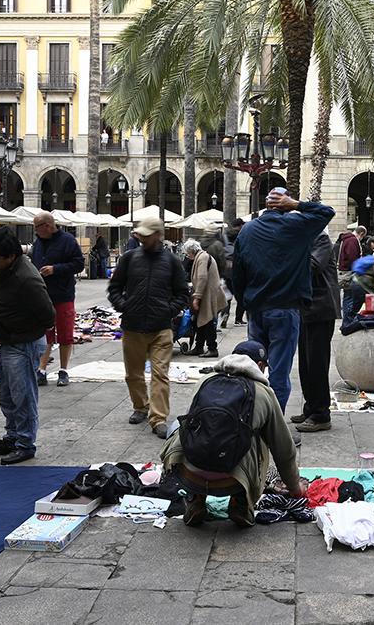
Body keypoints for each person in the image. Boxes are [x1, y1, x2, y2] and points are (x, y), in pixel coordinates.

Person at [162, 341, 306, 527]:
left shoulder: (204, 382)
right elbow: (284, 450)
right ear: (260, 366)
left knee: (181, 425)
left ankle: (194, 498)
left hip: (190, 473)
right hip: (233, 480)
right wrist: (295, 489)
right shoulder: (264, 392)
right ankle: (241, 504)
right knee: (261, 439)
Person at [231, 189, 335, 411]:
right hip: (284, 310)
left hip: (256, 310)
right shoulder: (295, 228)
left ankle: (250, 418)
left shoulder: (247, 230)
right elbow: (327, 212)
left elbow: (237, 275)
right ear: (284, 204)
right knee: (278, 373)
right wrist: (296, 204)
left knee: (254, 368)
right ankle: (272, 429)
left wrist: (245, 303)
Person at [0, 226, 55, 465]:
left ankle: (25, 443)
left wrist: (14, 328)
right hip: (9, 342)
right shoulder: (5, 269)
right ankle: (12, 436)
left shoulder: (27, 278)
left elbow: (48, 316)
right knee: (7, 395)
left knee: (23, 397)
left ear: (10, 255)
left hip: (23, 343)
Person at [107, 216, 189, 438]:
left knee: (160, 374)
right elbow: (114, 287)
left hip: (161, 328)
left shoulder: (172, 261)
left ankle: (158, 418)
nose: (141, 238)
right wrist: (124, 306)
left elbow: (183, 293)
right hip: (133, 326)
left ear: (157, 235)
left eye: (146, 234)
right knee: (133, 375)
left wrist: (169, 310)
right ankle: (140, 406)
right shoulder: (129, 259)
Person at [30, 212, 86, 387]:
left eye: (36, 227)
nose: (35, 231)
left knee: (64, 334)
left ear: (47, 226)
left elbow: (79, 264)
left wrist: (56, 269)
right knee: (44, 334)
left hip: (63, 294)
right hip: (43, 295)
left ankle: (63, 370)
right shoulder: (38, 242)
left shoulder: (67, 240)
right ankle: (42, 369)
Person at [293, 230, 338, 433]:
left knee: (317, 363)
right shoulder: (305, 238)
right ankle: (310, 408)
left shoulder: (320, 239)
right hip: (306, 308)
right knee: (306, 363)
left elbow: (312, 266)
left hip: (320, 308)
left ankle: (321, 414)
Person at [182, 239, 228, 358]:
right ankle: (199, 347)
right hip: (207, 293)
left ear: (192, 251)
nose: (187, 256)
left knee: (207, 321)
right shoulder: (202, 256)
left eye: (187, 253)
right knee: (200, 321)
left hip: (208, 295)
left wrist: (197, 297)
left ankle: (212, 348)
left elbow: (202, 277)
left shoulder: (202, 258)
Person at [337, 224, 366, 325]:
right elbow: (352, 258)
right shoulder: (352, 240)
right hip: (349, 273)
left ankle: (347, 322)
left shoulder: (346, 239)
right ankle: (347, 322)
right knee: (349, 298)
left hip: (345, 272)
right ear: (361, 233)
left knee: (347, 297)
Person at [225, 219, 247, 327]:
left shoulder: (224, 244)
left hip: (226, 275)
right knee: (240, 298)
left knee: (227, 297)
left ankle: (225, 315)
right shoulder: (239, 245)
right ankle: (238, 318)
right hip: (236, 274)